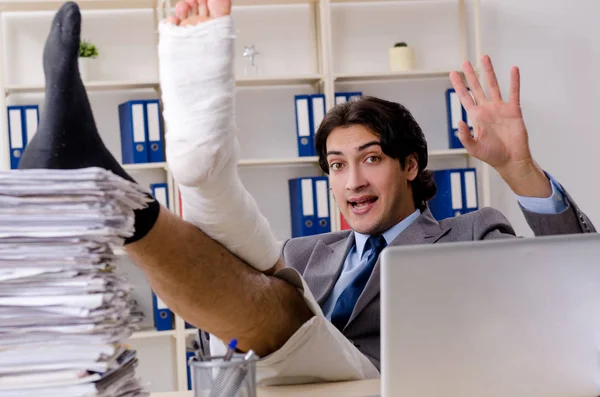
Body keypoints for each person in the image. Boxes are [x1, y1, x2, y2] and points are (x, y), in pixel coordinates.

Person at [19, 0, 595, 386]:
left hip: (374, 383)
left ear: (411, 165)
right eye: (337, 166)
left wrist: (520, 167)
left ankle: (130, 184)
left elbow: (581, 287)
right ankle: (162, 178)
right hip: (279, 384)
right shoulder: (305, 252)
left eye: (371, 160)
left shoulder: (470, 233)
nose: (353, 182)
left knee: (285, 306)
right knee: (250, 260)